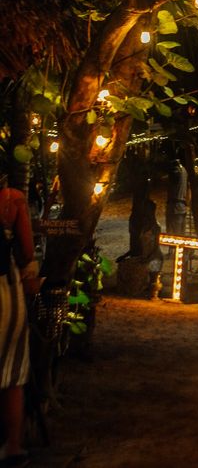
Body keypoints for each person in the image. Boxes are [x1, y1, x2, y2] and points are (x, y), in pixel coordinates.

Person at [0, 175, 39, 468]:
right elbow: (27, 251)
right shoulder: (11, 199)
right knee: (12, 373)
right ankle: (12, 446)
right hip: (5, 293)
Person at [165, 155, 188, 237]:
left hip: (175, 206)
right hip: (181, 205)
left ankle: (175, 249)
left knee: (175, 234)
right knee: (181, 233)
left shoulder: (176, 170)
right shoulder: (183, 170)